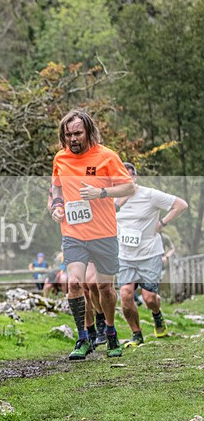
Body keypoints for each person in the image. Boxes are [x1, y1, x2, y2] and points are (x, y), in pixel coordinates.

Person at [50, 109, 135, 361]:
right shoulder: (60, 158)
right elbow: (55, 188)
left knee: (104, 287)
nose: (73, 139)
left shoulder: (107, 156)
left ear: (88, 131)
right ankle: (83, 337)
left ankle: (110, 332)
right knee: (75, 284)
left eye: (77, 133)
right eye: (68, 135)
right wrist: (56, 206)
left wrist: (101, 193)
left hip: (104, 233)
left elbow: (128, 186)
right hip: (73, 233)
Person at [116, 162, 188, 347]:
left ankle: (157, 315)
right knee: (125, 294)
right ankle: (136, 335)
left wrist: (162, 223)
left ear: (135, 178)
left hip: (149, 253)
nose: (126, 180)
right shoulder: (112, 199)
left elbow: (181, 204)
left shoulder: (149, 195)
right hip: (124, 255)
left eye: (129, 176)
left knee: (149, 298)